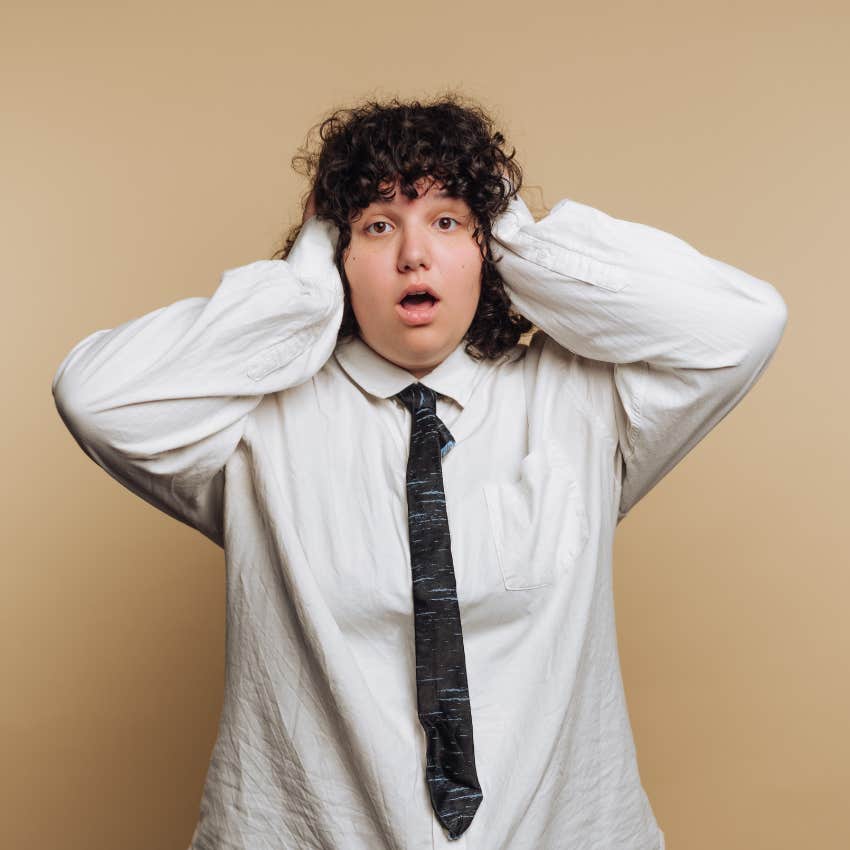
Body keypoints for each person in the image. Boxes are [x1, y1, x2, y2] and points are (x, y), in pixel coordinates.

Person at [51, 92, 788, 850]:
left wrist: (521, 242)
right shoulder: (251, 427)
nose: (413, 255)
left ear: (485, 248)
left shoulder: (581, 402)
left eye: (448, 221)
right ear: (338, 254)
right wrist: (301, 289)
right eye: (377, 225)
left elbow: (746, 323)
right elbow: (93, 398)